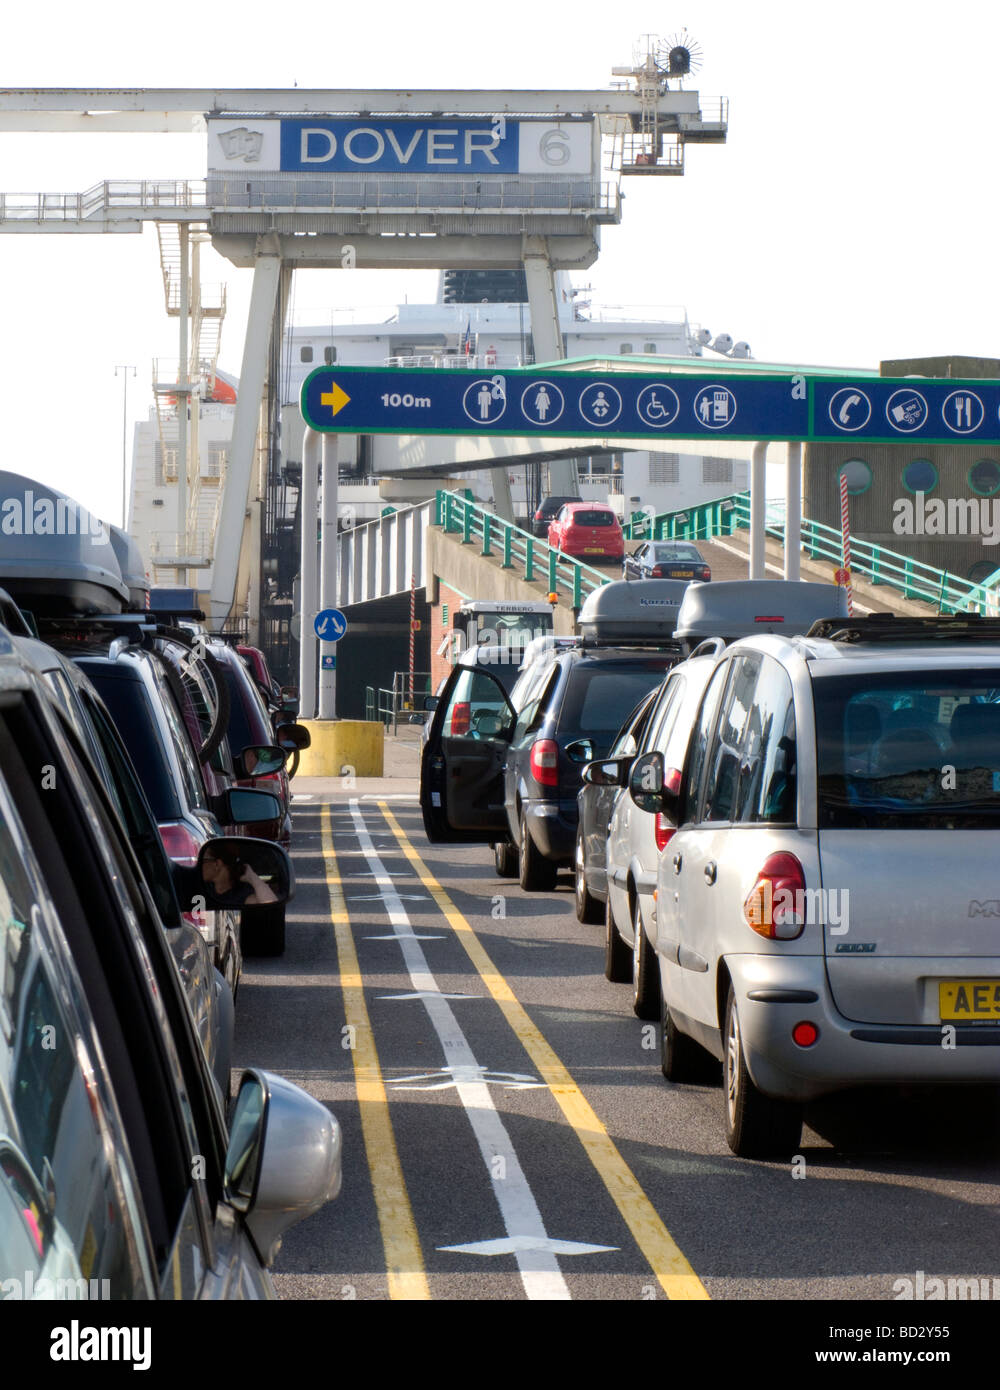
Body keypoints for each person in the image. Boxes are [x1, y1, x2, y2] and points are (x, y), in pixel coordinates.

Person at [198, 843, 278, 907]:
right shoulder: (202, 887)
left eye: (203, 860)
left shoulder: (242, 894)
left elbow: (271, 905)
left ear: (217, 864)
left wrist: (252, 877)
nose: (198, 864)